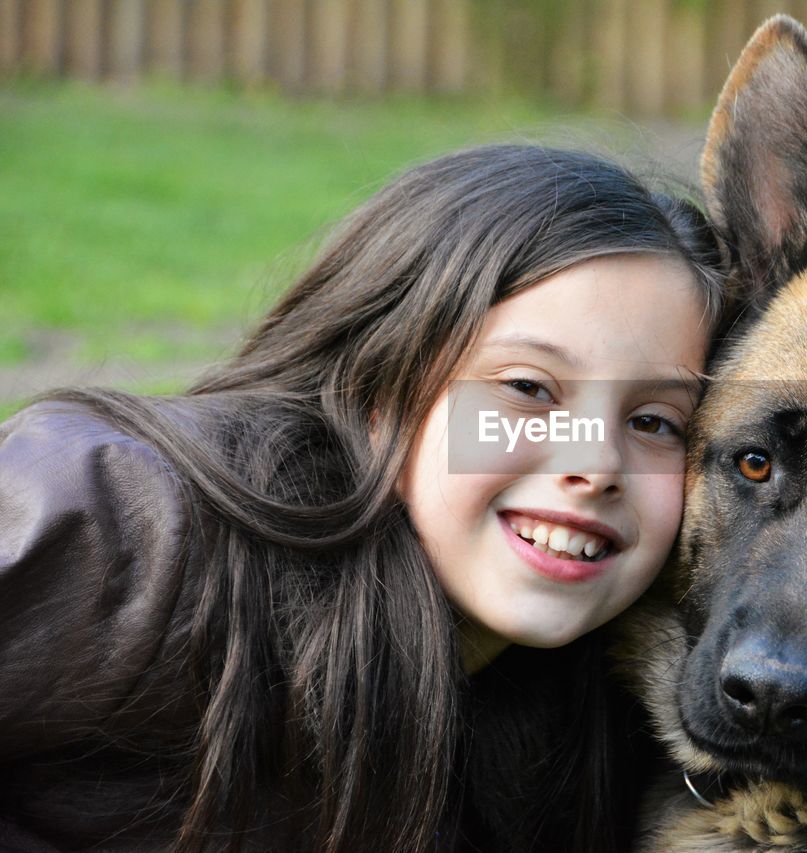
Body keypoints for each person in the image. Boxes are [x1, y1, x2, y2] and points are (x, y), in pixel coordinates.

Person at [0, 145, 725, 852]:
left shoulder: (611, 718)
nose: (597, 464)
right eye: (528, 388)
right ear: (379, 384)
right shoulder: (124, 522)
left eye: (655, 422)